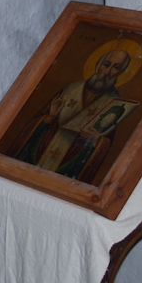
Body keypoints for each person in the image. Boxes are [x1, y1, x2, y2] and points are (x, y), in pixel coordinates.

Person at [12, 48, 133, 183]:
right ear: (98, 65)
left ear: (121, 72)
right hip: (42, 152)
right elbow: (34, 125)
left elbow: (107, 142)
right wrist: (50, 117)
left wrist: (97, 140)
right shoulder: (70, 90)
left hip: (72, 162)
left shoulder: (114, 104)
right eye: (106, 64)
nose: (107, 72)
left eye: (116, 68)